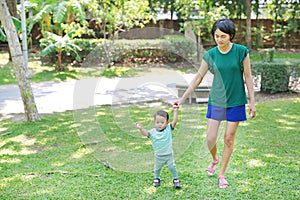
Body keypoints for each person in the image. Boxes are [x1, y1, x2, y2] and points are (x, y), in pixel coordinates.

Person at [175, 18, 256, 189]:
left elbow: (248, 77)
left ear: (231, 36)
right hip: (217, 100)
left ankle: (222, 173)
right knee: (210, 138)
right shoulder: (210, 55)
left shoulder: (241, 52)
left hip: (236, 101)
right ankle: (214, 159)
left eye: (223, 36)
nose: (219, 39)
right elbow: (198, 77)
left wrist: (252, 102)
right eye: (216, 36)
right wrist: (182, 99)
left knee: (228, 139)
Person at [136, 104, 181, 189]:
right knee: (157, 168)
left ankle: (176, 180)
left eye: (162, 122)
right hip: (158, 155)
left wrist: (175, 110)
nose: (159, 124)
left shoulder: (168, 129)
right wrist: (141, 129)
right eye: (157, 122)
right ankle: (156, 178)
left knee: (172, 167)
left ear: (167, 122)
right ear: (154, 122)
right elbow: (146, 134)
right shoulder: (153, 132)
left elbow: (175, 121)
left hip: (168, 155)